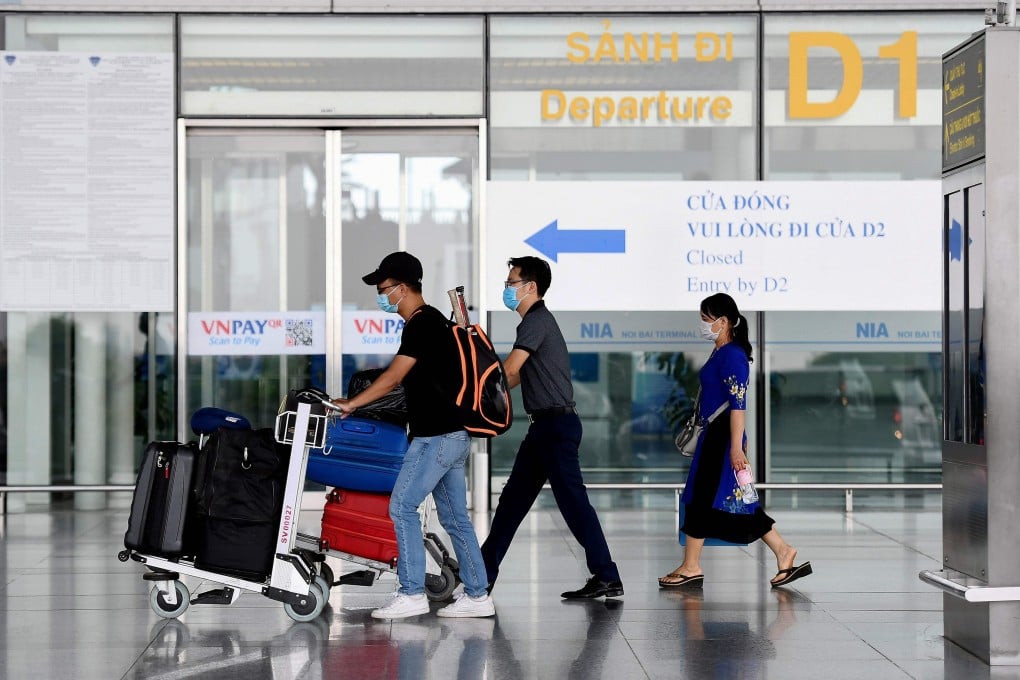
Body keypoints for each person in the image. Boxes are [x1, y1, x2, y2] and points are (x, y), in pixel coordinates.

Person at [331, 251, 495, 619]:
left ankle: (411, 593)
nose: (381, 296)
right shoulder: (433, 322)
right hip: (453, 436)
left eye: (384, 288)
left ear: (402, 289)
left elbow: (394, 376)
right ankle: (478, 595)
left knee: (401, 506)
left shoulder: (422, 324)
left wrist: (353, 405)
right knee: (455, 518)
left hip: (435, 438)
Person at [480, 256, 623, 599]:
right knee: (512, 502)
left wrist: (477, 395)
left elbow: (511, 371)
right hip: (544, 428)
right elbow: (511, 377)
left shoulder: (536, 320)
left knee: (573, 504)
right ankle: (481, 576)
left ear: (530, 287)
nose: (506, 288)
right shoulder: (536, 321)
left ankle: (607, 574)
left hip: (555, 427)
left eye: (511, 282)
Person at [659, 293, 812, 589]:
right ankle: (783, 551)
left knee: (704, 495)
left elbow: (738, 404)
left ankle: (692, 565)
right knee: (740, 499)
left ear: (724, 321)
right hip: (718, 436)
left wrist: (735, 447)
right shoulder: (721, 352)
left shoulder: (731, 355)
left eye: (707, 320)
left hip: (722, 437)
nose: (703, 325)